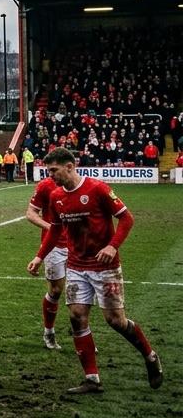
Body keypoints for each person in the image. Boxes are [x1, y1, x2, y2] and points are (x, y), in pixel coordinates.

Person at [27, 148, 162, 394]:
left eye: (54, 170)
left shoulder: (98, 189)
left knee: (115, 321)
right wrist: (39, 257)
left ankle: (150, 356)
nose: (51, 176)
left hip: (105, 266)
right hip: (77, 266)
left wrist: (112, 246)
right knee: (77, 317)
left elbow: (127, 219)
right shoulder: (56, 196)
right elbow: (55, 231)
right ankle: (92, 378)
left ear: (70, 166)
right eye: (48, 171)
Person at [25, 174, 69, 349]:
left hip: (78, 245)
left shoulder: (80, 186)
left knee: (79, 293)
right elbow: (30, 213)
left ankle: (83, 335)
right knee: (56, 291)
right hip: (54, 246)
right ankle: (49, 332)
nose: (51, 173)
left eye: (54, 168)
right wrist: (52, 228)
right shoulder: (45, 186)